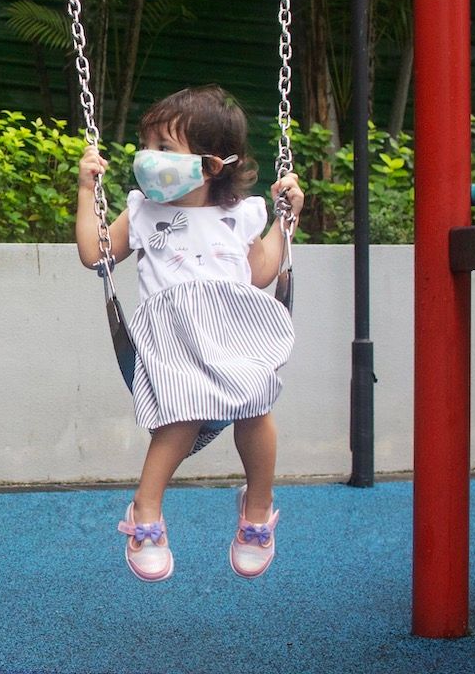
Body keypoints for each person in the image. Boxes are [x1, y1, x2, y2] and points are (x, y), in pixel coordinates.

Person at [74, 85, 304, 582]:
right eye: (146, 145)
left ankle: (257, 509)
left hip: (233, 332)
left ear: (211, 165)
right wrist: (87, 192)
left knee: (258, 406)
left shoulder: (240, 215)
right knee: (180, 414)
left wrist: (286, 222)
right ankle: (145, 510)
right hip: (174, 339)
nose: (148, 158)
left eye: (164, 148)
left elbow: (261, 272)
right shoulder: (142, 211)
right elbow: (96, 255)